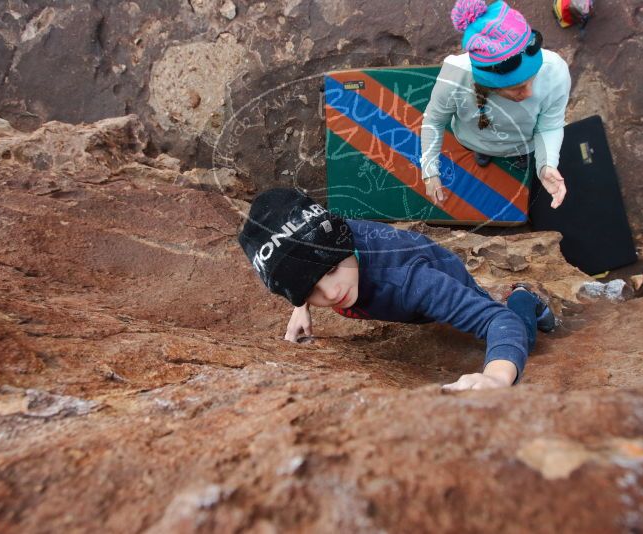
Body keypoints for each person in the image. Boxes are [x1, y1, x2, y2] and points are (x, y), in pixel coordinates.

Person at [238, 188, 556, 391]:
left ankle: (522, 297)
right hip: (390, 266)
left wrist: (497, 377)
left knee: (521, 339)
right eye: (310, 290)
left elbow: (497, 323)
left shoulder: (409, 281)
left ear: (345, 245)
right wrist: (300, 305)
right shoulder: (326, 240)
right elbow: (300, 261)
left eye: (333, 269)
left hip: (437, 271)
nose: (332, 293)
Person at [421, 0, 571, 210]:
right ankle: (483, 152)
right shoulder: (454, 77)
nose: (529, 93)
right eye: (517, 87)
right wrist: (430, 171)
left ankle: (518, 156)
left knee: (524, 155)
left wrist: (546, 164)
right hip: (473, 139)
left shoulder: (555, 71)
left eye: (532, 79)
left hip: (522, 143)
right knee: (482, 151)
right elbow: (434, 121)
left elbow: (549, 125)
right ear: (488, 84)